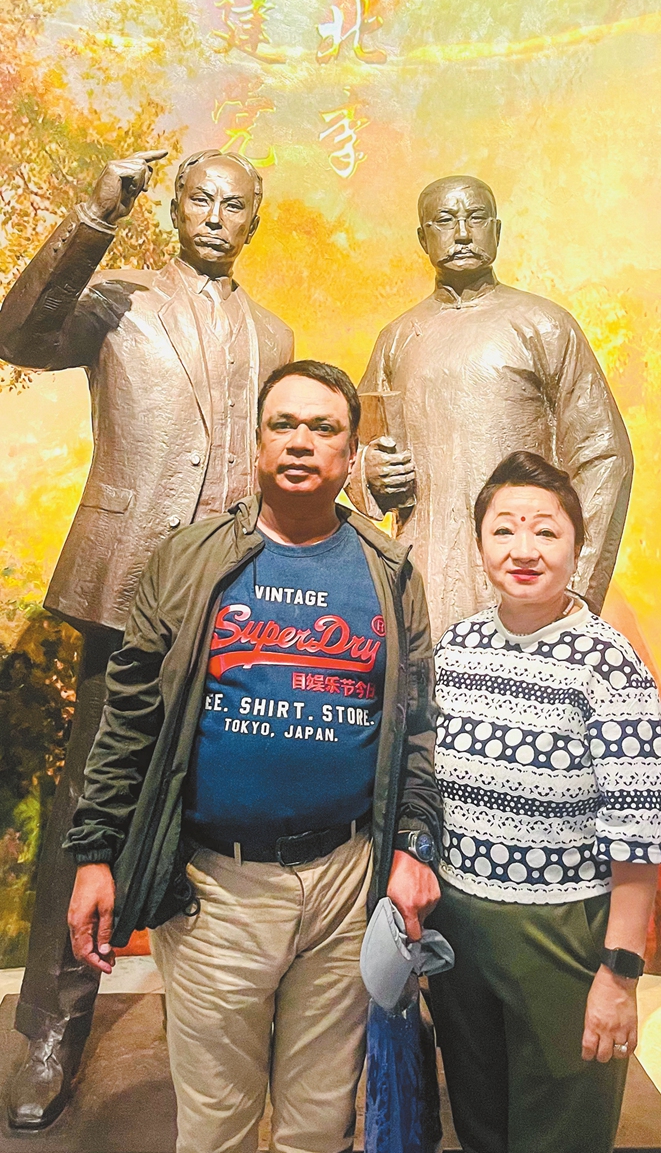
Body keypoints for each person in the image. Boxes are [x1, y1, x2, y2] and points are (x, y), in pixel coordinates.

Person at [64, 361, 441, 1153]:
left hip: (345, 882)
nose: (301, 443)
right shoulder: (189, 560)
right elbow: (130, 715)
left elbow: (413, 728)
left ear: (350, 453)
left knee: (317, 1121)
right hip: (217, 888)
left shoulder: (389, 571)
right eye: (283, 425)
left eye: (323, 428)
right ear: (255, 442)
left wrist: (413, 845)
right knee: (216, 1124)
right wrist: (95, 854)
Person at [0, 147, 293, 1128]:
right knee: (91, 809)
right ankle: (49, 1030)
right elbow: (20, 332)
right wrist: (93, 211)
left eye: (234, 204)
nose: (215, 215)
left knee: (227, 813)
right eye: (200, 199)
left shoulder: (275, 333)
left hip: (238, 599)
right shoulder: (117, 299)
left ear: (256, 218)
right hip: (128, 587)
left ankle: (215, 1023)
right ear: (174, 208)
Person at [428, 450, 661, 1153]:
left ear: (575, 544)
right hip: (459, 931)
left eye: (544, 531)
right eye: (503, 530)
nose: (522, 550)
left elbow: (638, 832)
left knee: (559, 1130)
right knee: (480, 1125)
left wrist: (619, 976)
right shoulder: (456, 646)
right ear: (478, 544)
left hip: (563, 937)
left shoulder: (606, 660)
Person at [348, 175, 632, 640]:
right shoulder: (396, 339)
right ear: (423, 238)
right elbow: (356, 450)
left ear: (497, 231)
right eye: (444, 221)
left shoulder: (544, 324)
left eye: (476, 218)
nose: (462, 233)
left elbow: (605, 457)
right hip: (420, 576)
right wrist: (369, 474)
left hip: (522, 579)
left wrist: (573, 589)